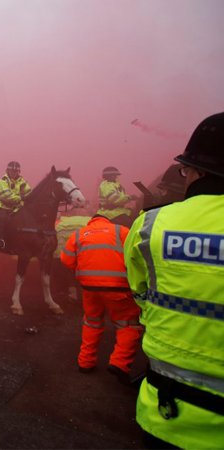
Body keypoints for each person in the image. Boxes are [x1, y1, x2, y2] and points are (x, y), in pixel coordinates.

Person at [124, 112, 224, 449]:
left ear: (194, 171)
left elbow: (140, 288)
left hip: (163, 410)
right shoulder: (8, 182)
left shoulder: (151, 223)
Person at [60, 214, 143, 381]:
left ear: (91, 221)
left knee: (92, 322)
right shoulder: (122, 231)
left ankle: (85, 363)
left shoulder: (79, 233)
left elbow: (66, 260)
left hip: (89, 288)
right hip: (119, 288)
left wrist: (84, 269)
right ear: (107, 221)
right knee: (127, 324)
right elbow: (136, 256)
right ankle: (119, 363)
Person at [0, 161, 31, 249]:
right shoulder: (3, 181)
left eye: (16, 171)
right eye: (12, 171)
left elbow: (29, 193)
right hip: (3, 206)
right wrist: (21, 198)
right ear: (8, 171)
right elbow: (6, 196)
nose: (14, 173)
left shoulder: (22, 182)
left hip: (17, 207)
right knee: (2, 218)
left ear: (19, 172)